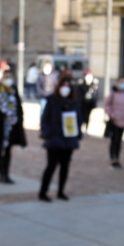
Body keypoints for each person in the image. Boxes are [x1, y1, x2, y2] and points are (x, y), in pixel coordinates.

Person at [38, 71, 80, 201]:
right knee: (51, 166)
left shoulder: (73, 102)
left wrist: (76, 135)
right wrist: (48, 133)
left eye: (68, 86)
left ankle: (61, 191)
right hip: (54, 138)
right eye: (63, 85)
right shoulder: (51, 100)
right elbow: (44, 119)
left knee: (65, 167)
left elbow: (79, 119)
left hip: (69, 138)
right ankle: (43, 192)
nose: (65, 88)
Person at [0, 68, 26, 184]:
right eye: (6, 77)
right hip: (0, 126)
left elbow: (19, 107)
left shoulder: (14, 90)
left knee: (8, 150)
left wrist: (19, 120)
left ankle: (6, 173)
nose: (8, 79)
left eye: (10, 77)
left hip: (12, 125)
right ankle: (1, 173)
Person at [103, 77, 124, 169]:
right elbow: (106, 105)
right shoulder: (113, 93)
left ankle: (117, 158)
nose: (122, 84)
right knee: (114, 140)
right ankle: (113, 158)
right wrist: (112, 114)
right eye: (121, 82)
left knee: (119, 141)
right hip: (115, 121)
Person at [76, 68, 100, 135]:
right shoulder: (81, 85)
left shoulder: (94, 85)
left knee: (87, 117)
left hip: (90, 104)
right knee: (81, 116)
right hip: (82, 104)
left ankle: (86, 129)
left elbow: (96, 95)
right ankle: (80, 129)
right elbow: (78, 95)